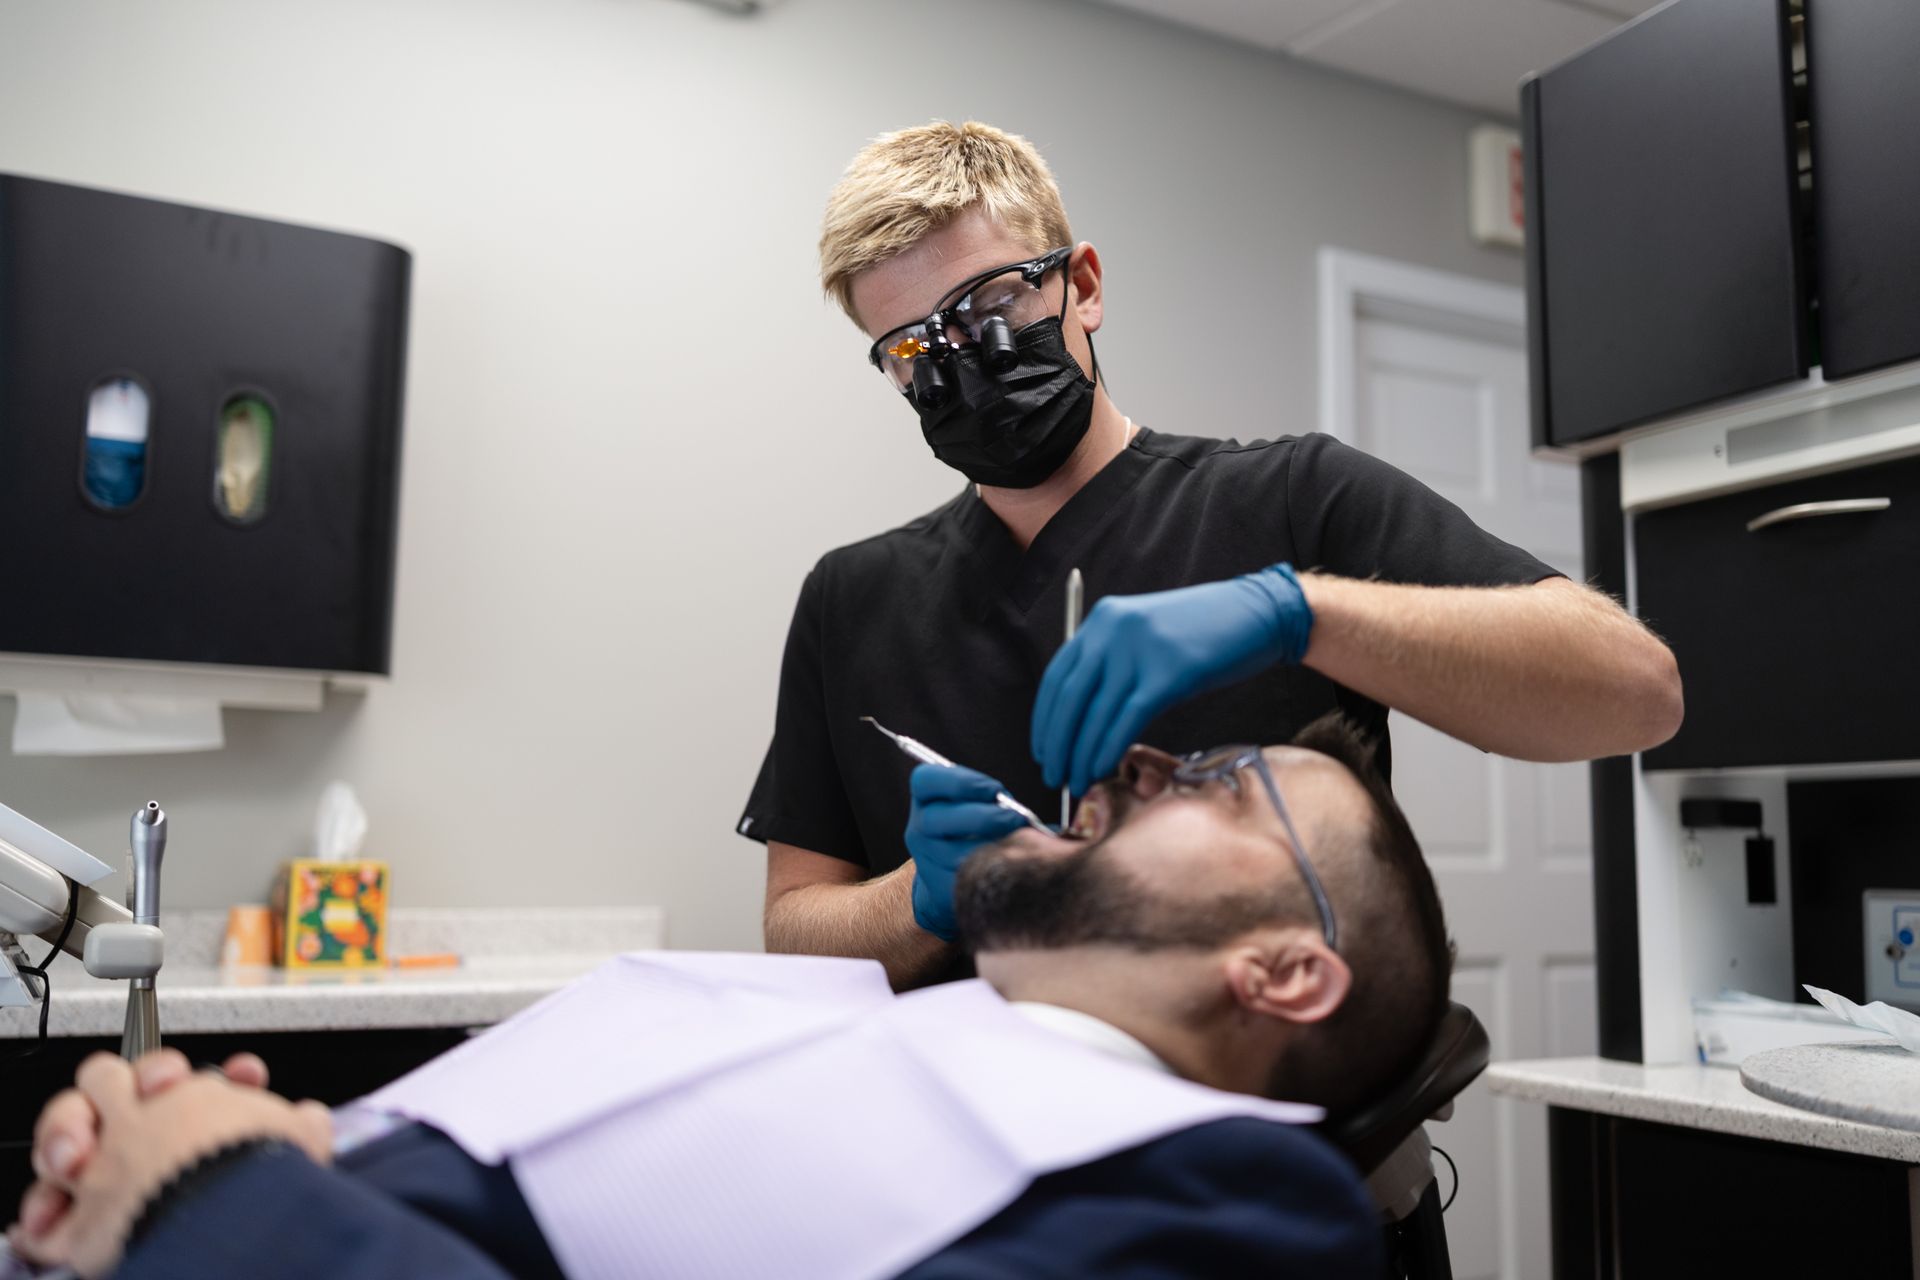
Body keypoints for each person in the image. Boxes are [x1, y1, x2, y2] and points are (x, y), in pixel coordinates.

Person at [744, 121, 1683, 989]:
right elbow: (794, 927)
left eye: (993, 299)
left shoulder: (1295, 500)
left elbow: (1637, 693)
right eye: (915, 344)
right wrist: (915, 900)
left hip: (1281, 1129)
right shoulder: (854, 597)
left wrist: (1298, 613)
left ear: (1084, 285)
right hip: (979, 1141)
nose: (965, 357)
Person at [10, 717, 1449, 1280]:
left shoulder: (1240, 1212)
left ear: (1284, 970)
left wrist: (215, 1193)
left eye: (1214, 785)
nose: (1143, 763)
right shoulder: (857, 1028)